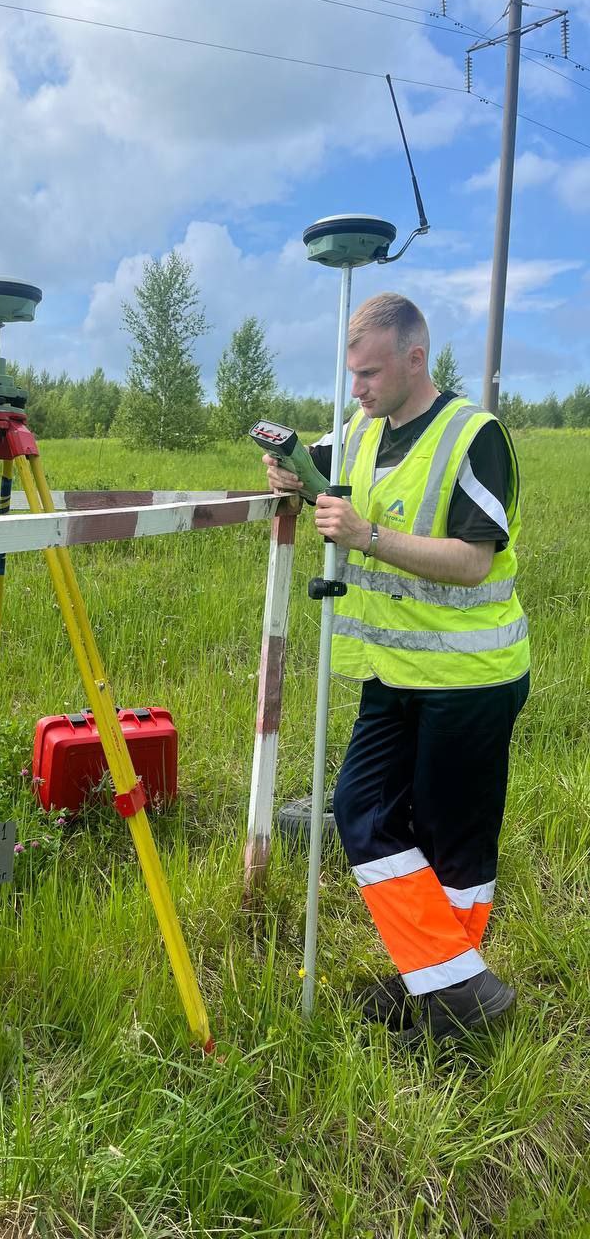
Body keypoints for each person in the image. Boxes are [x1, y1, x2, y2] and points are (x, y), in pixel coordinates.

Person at [264, 292, 529, 1043]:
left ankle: (448, 1002)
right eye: (352, 376)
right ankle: (452, 985)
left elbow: (476, 559)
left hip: (470, 680)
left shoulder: (474, 436)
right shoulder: (359, 432)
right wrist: (290, 474)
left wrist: (368, 535)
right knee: (360, 809)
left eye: (371, 374)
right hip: (391, 673)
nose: (358, 390)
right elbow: (313, 472)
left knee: (454, 843)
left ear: (417, 359)